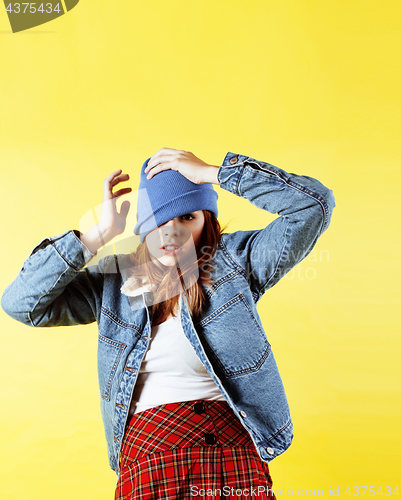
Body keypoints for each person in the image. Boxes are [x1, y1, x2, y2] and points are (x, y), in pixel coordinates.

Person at [1, 148, 336, 499]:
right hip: (147, 459)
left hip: (228, 452)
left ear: (207, 221)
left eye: (187, 217)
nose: (172, 233)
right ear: (143, 229)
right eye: (159, 221)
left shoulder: (238, 261)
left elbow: (313, 206)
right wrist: (96, 236)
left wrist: (213, 173)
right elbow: (21, 304)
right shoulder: (115, 280)